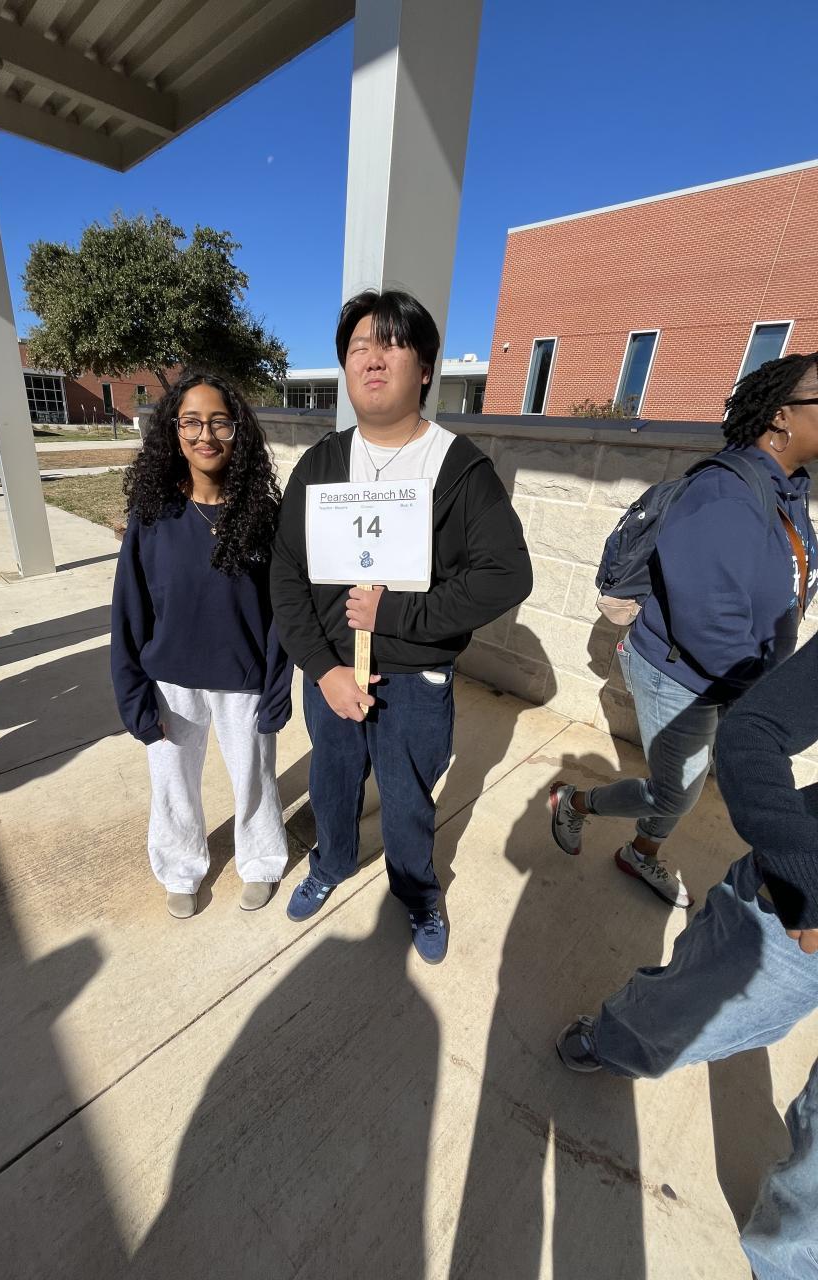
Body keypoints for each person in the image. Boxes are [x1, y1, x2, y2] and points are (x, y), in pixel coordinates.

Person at [270, 289, 532, 963]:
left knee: (408, 799)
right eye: (359, 347)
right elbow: (286, 576)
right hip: (332, 674)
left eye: (391, 344)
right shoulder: (322, 465)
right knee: (332, 783)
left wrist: (398, 615)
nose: (373, 358)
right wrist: (322, 669)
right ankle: (330, 862)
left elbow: (506, 575)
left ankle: (417, 893)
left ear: (425, 369)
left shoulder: (458, 468)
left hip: (417, 678)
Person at [556, 630, 818, 1279]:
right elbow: (754, 729)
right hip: (793, 919)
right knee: (676, 1016)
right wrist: (807, 883)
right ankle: (614, 1039)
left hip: (712, 677)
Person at [549, 352, 818, 908]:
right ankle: (574, 803)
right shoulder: (724, 491)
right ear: (780, 416)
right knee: (677, 792)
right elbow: (708, 618)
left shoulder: (790, 492)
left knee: (681, 787)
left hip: (732, 679)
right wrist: (760, 701)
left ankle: (640, 850)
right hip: (682, 675)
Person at [111, 370, 292, 919]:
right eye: (191, 422)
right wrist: (133, 694)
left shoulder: (263, 517)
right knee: (173, 785)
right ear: (174, 430)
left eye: (219, 422)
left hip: (243, 678)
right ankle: (180, 868)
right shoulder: (152, 517)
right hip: (171, 680)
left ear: (238, 431)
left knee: (255, 779)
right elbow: (129, 611)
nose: (205, 435)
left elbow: (280, 611)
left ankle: (260, 862)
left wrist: (278, 684)